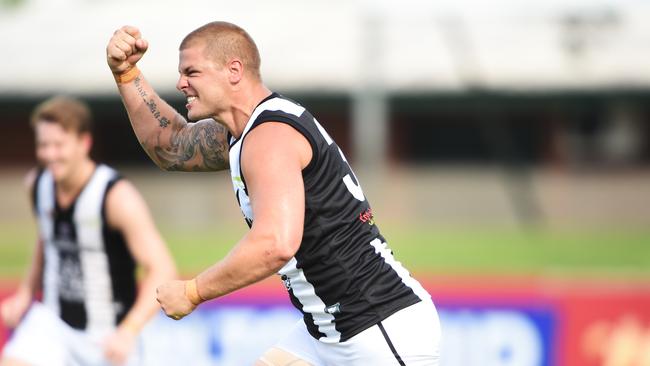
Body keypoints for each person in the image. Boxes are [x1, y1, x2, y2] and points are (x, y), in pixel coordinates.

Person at [106, 21, 441, 365]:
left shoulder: (270, 137)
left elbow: (275, 244)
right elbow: (172, 145)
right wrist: (127, 73)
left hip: (376, 326)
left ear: (233, 70)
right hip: (327, 331)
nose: (181, 83)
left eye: (192, 71)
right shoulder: (242, 132)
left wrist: (193, 292)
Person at [0, 96, 177, 366]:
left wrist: (128, 331)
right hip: (53, 323)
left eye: (58, 145)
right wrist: (25, 293)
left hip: (110, 334)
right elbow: (46, 239)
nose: (49, 155)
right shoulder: (37, 185)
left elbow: (163, 269)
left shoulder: (116, 197)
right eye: (43, 145)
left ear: (84, 143)